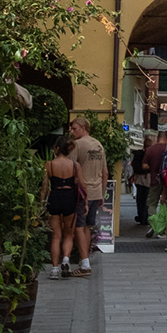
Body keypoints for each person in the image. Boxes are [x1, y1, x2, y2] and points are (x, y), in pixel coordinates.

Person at [68, 117, 109, 274]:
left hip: (82, 193)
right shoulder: (98, 145)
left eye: (75, 129)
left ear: (84, 128)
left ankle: (85, 264)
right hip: (96, 192)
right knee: (87, 227)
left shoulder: (77, 145)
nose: (72, 132)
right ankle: (83, 259)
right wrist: (102, 193)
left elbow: (70, 169)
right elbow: (105, 172)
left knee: (78, 226)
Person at [42, 137, 81, 280]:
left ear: (57, 149)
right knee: (68, 234)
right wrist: (87, 203)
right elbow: (81, 185)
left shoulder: (49, 165)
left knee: (56, 236)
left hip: (55, 198)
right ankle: (66, 259)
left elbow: (44, 188)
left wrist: (40, 204)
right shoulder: (75, 165)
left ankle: (54, 269)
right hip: (69, 198)